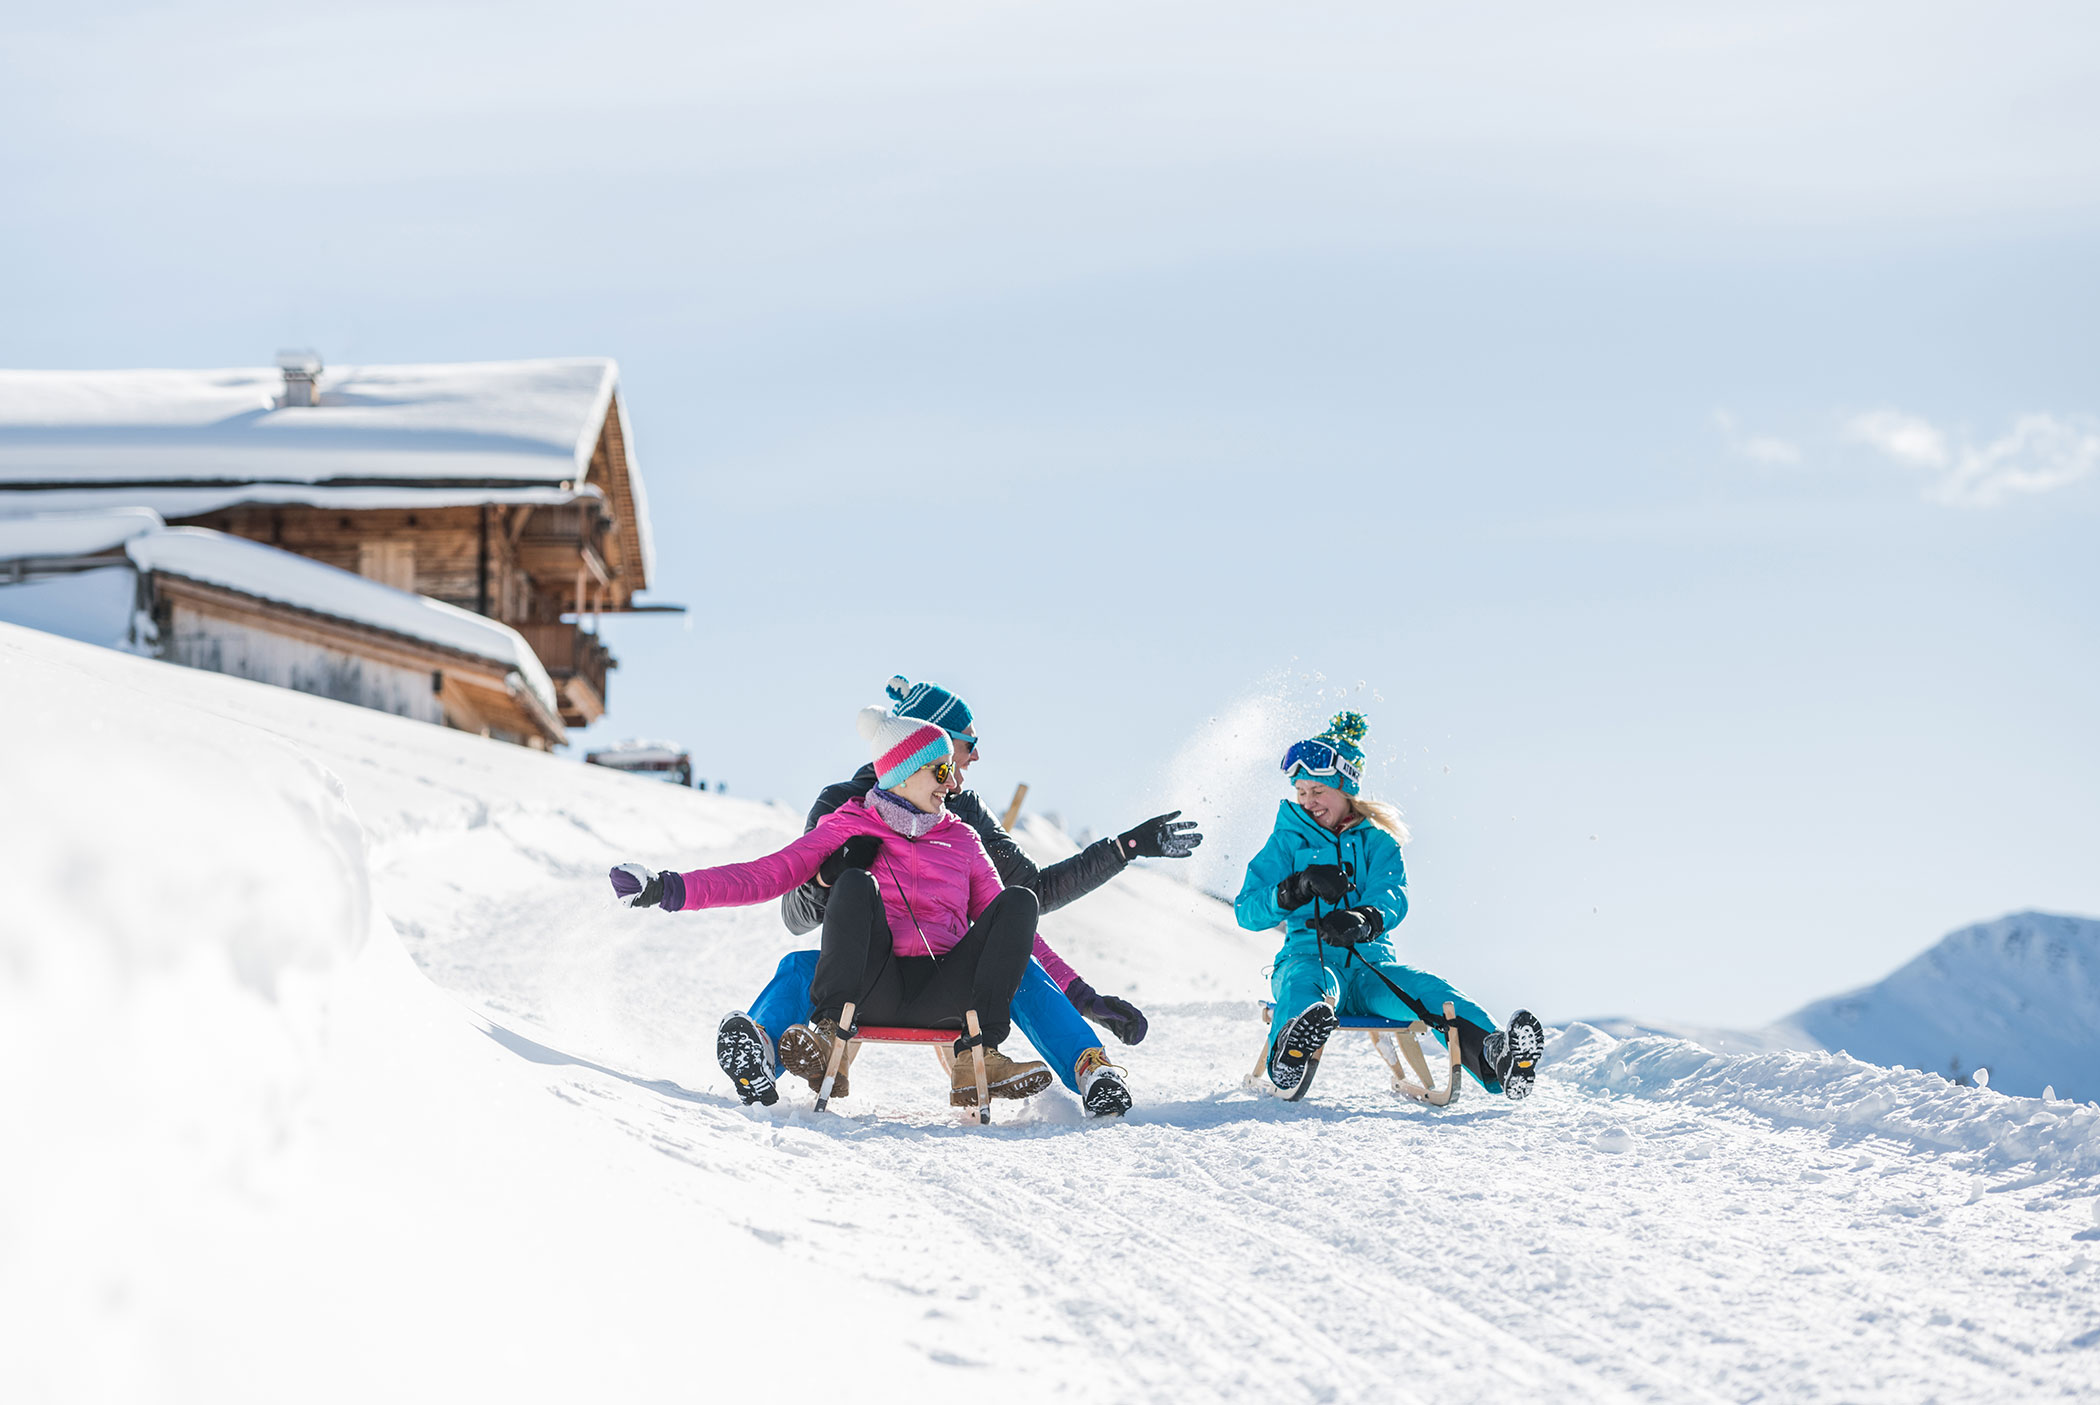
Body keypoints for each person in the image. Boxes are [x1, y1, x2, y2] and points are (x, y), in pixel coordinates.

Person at [731, 675, 1203, 1118]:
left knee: (1021, 971)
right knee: (797, 969)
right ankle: (759, 1055)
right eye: (969, 743)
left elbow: (1025, 898)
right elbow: (795, 914)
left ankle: (1091, 1071)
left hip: (948, 975)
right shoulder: (844, 805)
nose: (974, 758)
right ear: (926, 739)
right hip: (866, 973)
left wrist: (1124, 851)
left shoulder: (963, 816)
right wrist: (827, 880)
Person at [610, 706, 1055, 1109]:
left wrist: (1078, 991)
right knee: (854, 883)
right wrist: (667, 888)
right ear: (902, 772)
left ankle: (981, 1055)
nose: (954, 783)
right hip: (870, 990)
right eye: (942, 771)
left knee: (1019, 902)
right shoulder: (848, 824)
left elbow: (1013, 933)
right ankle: (825, 1040)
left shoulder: (963, 838)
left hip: (952, 993)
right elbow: (768, 873)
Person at [1234, 710, 1545, 1099]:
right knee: (1309, 988)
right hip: (1307, 957)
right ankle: (1290, 1051)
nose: (1308, 802)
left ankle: (1496, 1056)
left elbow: (1393, 893)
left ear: (1345, 791)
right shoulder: (1286, 843)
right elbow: (1246, 910)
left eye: (1318, 792)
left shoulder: (1377, 843)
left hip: (1372, 967)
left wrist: (1365, 917)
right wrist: (1295, 887)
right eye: (1302, 792)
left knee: (1425, 990)